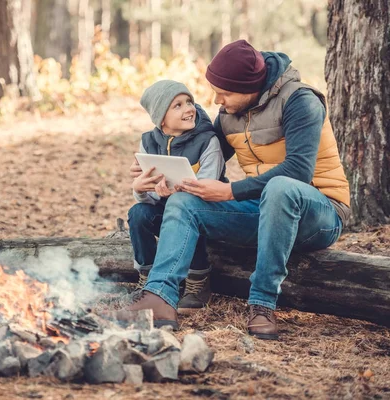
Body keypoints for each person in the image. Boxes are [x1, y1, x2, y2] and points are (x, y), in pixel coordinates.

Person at [127, 40, 350, 339]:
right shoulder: (229, 114)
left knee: (280, 187)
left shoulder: (300, 101)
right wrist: (155, 176)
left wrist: (229, 192)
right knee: (184, 202)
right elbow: (199, 151)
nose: (217, 100)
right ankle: (160, 298)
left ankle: (261, 304)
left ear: (251, 86)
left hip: (320, 214)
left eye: (225, 92)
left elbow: (298, 170)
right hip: (260, 211)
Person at [127, 80, 226, 323]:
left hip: (202, 209)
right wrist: (140, 189)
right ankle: (148, 279)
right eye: (178, 105)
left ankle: (197, 280)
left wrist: (179, 195)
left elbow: (208, 187)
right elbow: (148, 197)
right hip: (165, 208)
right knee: (138, 213)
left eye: (189, 102)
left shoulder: (207, 141)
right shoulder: (148, 142)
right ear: (161, 118)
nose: (189, 109)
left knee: (187, 208)